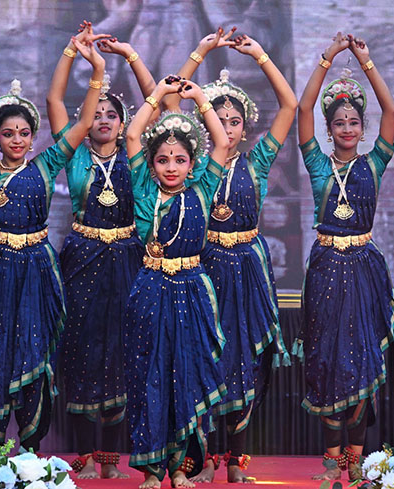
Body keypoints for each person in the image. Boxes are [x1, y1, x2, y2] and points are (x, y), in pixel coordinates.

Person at [0, 42, 105, 453]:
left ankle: (32, 457)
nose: (17, 139)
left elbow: (84, 123)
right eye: (8, 133)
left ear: (33, 137)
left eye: (24, 133)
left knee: (34, 353)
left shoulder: (46, 165)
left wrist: (96, 68)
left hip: (36, 272)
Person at [165, 33, 297, 484]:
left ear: (245, 125)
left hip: (246, 270)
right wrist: (198, 55)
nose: (227, 127)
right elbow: (171, 101)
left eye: (234, 120)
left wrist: (260, 55)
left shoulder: (257, 162)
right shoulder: (196, 167)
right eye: (219, 120)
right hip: (203, 272)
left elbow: (289, 106)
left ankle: (237, 460)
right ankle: (201, 459)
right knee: (204, 359)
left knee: (243, 360)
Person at [46, 22, 156, 479]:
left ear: (125, 123)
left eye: (113, 114)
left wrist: (131, 56)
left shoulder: (138, 155)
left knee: (120, 354)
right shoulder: (73, 154)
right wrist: (71, 52)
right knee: (81, 351)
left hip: (127, 260)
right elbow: (54, 101)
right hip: (82, 258)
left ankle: (110, 460)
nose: (105, 119)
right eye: (98, 113)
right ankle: (85, 456)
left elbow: (160, 103)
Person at [296, 32, 394, 481]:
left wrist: (365, 61)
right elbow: (303, 110)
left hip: (362, 272)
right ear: (329, 129)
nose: (348, 129)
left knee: (360, 364)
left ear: (362, 127)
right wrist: (329, 57)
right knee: (327, 363)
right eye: (339, 123)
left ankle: (355, 459)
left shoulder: (374, 163)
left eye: (354, 122)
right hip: (325, 272)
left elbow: (391, 110)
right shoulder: (318, 165)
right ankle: (332, 460)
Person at [124, 76, 231, 489]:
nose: (171, 167)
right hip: (150, 290)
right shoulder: (143, 190)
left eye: (180, 160)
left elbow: (220, 143)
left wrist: (200, 98)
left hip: (192, 291)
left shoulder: (202, 190)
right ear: (152, 164)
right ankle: (153, 470)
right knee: (150, 374)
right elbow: (133, 134)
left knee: (187, 374)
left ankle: (181, 467)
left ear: (191, 163)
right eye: (163, 160)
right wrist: (156, 96)